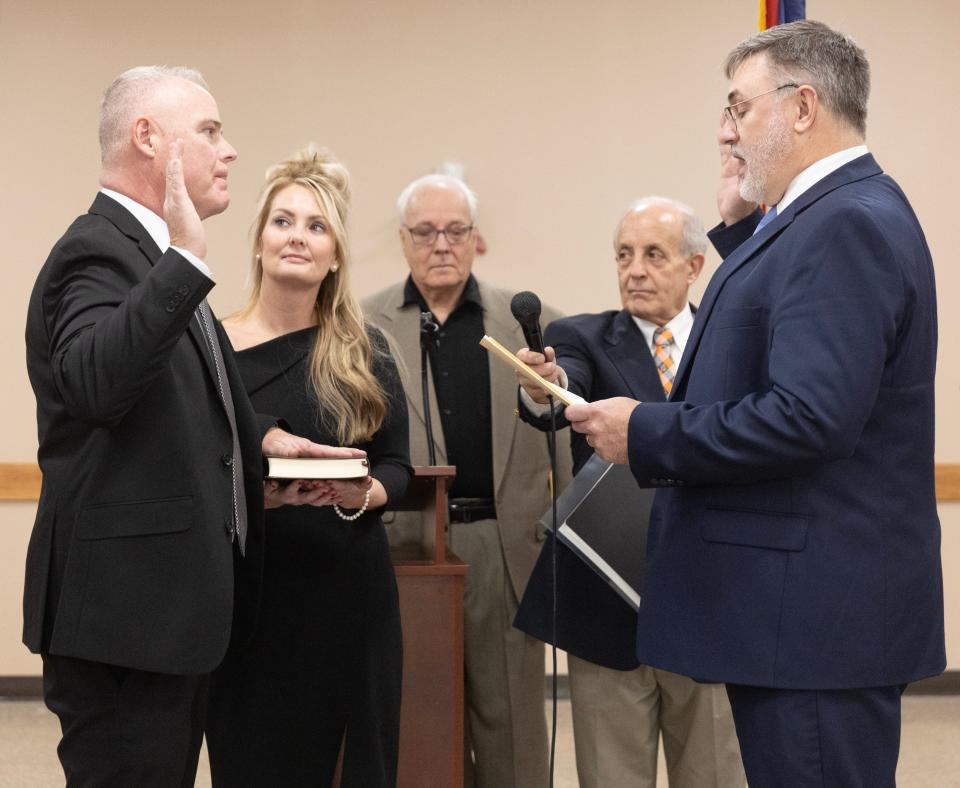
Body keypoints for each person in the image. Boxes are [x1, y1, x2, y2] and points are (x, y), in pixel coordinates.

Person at [561, 20, 945, 787]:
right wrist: (740, 227)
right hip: (807, 617)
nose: (725, 128)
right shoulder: (829, 215)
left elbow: (809, 416)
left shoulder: (843, 225)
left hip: (811, 624)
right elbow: (778, 328)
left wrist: (646, 432)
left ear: (802, 107)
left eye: (739, 107)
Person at [24, 67, 363, 787]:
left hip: (164, 625)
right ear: (148, 138)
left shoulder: (153, 261)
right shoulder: (98, 253)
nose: (229, 149)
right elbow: (94, 385)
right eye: (210, 131)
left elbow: (173, 411)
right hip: (124, 627)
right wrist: (183, 259)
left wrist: (262, 453)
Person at [515, 197, 745, 788]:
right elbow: (562, 387)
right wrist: (546, 386)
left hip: (711, 600)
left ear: (695, 266)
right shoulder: (583, 337)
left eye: (653, 255)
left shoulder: (734, 339)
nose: (635, 270)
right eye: (624, 255)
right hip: (608, 604)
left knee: (713, 772)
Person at [205, 148, 412, 787]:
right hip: (248, 598)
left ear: (335, 254)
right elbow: (194, 463)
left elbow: (399, 466)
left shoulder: (364, 350)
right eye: (283, 221)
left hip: (348, 595)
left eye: (317, 226)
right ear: (260, 242)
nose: (298, 236)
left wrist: (367, 492)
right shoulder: (210, 343)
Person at [362, 173, 571, 788]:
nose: (441, 244)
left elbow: (569, 436)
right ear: (403, 240)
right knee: (420, 726)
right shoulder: (361, 325)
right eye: (425, 232)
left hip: (506, 548)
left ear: (476, 239)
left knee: (513, 733)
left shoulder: (534, 323)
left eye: (456, 230)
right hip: (408, 548)